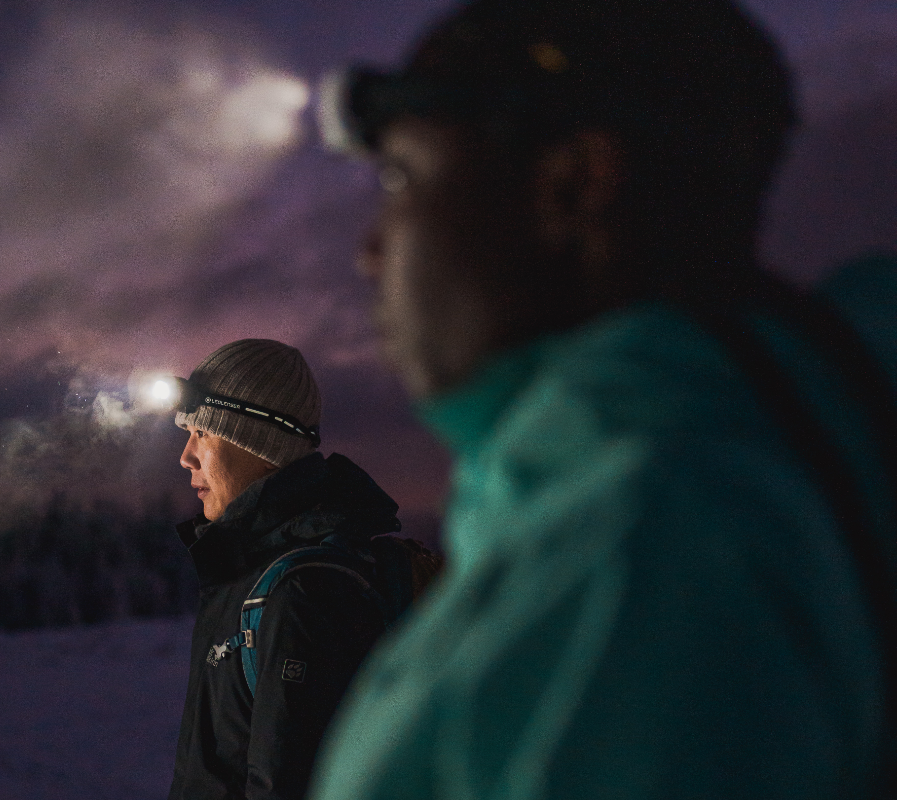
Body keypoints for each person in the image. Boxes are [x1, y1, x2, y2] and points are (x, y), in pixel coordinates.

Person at [308, 0, 897, 797]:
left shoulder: (640, 550)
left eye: (402, 177)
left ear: (573, 185)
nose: (372, 250)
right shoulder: (763, 464)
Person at [165, 338, 409, 800]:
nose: (186, 456)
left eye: (203, 433)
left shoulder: (304, 592)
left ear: (256, 442)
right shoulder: (248, 573)